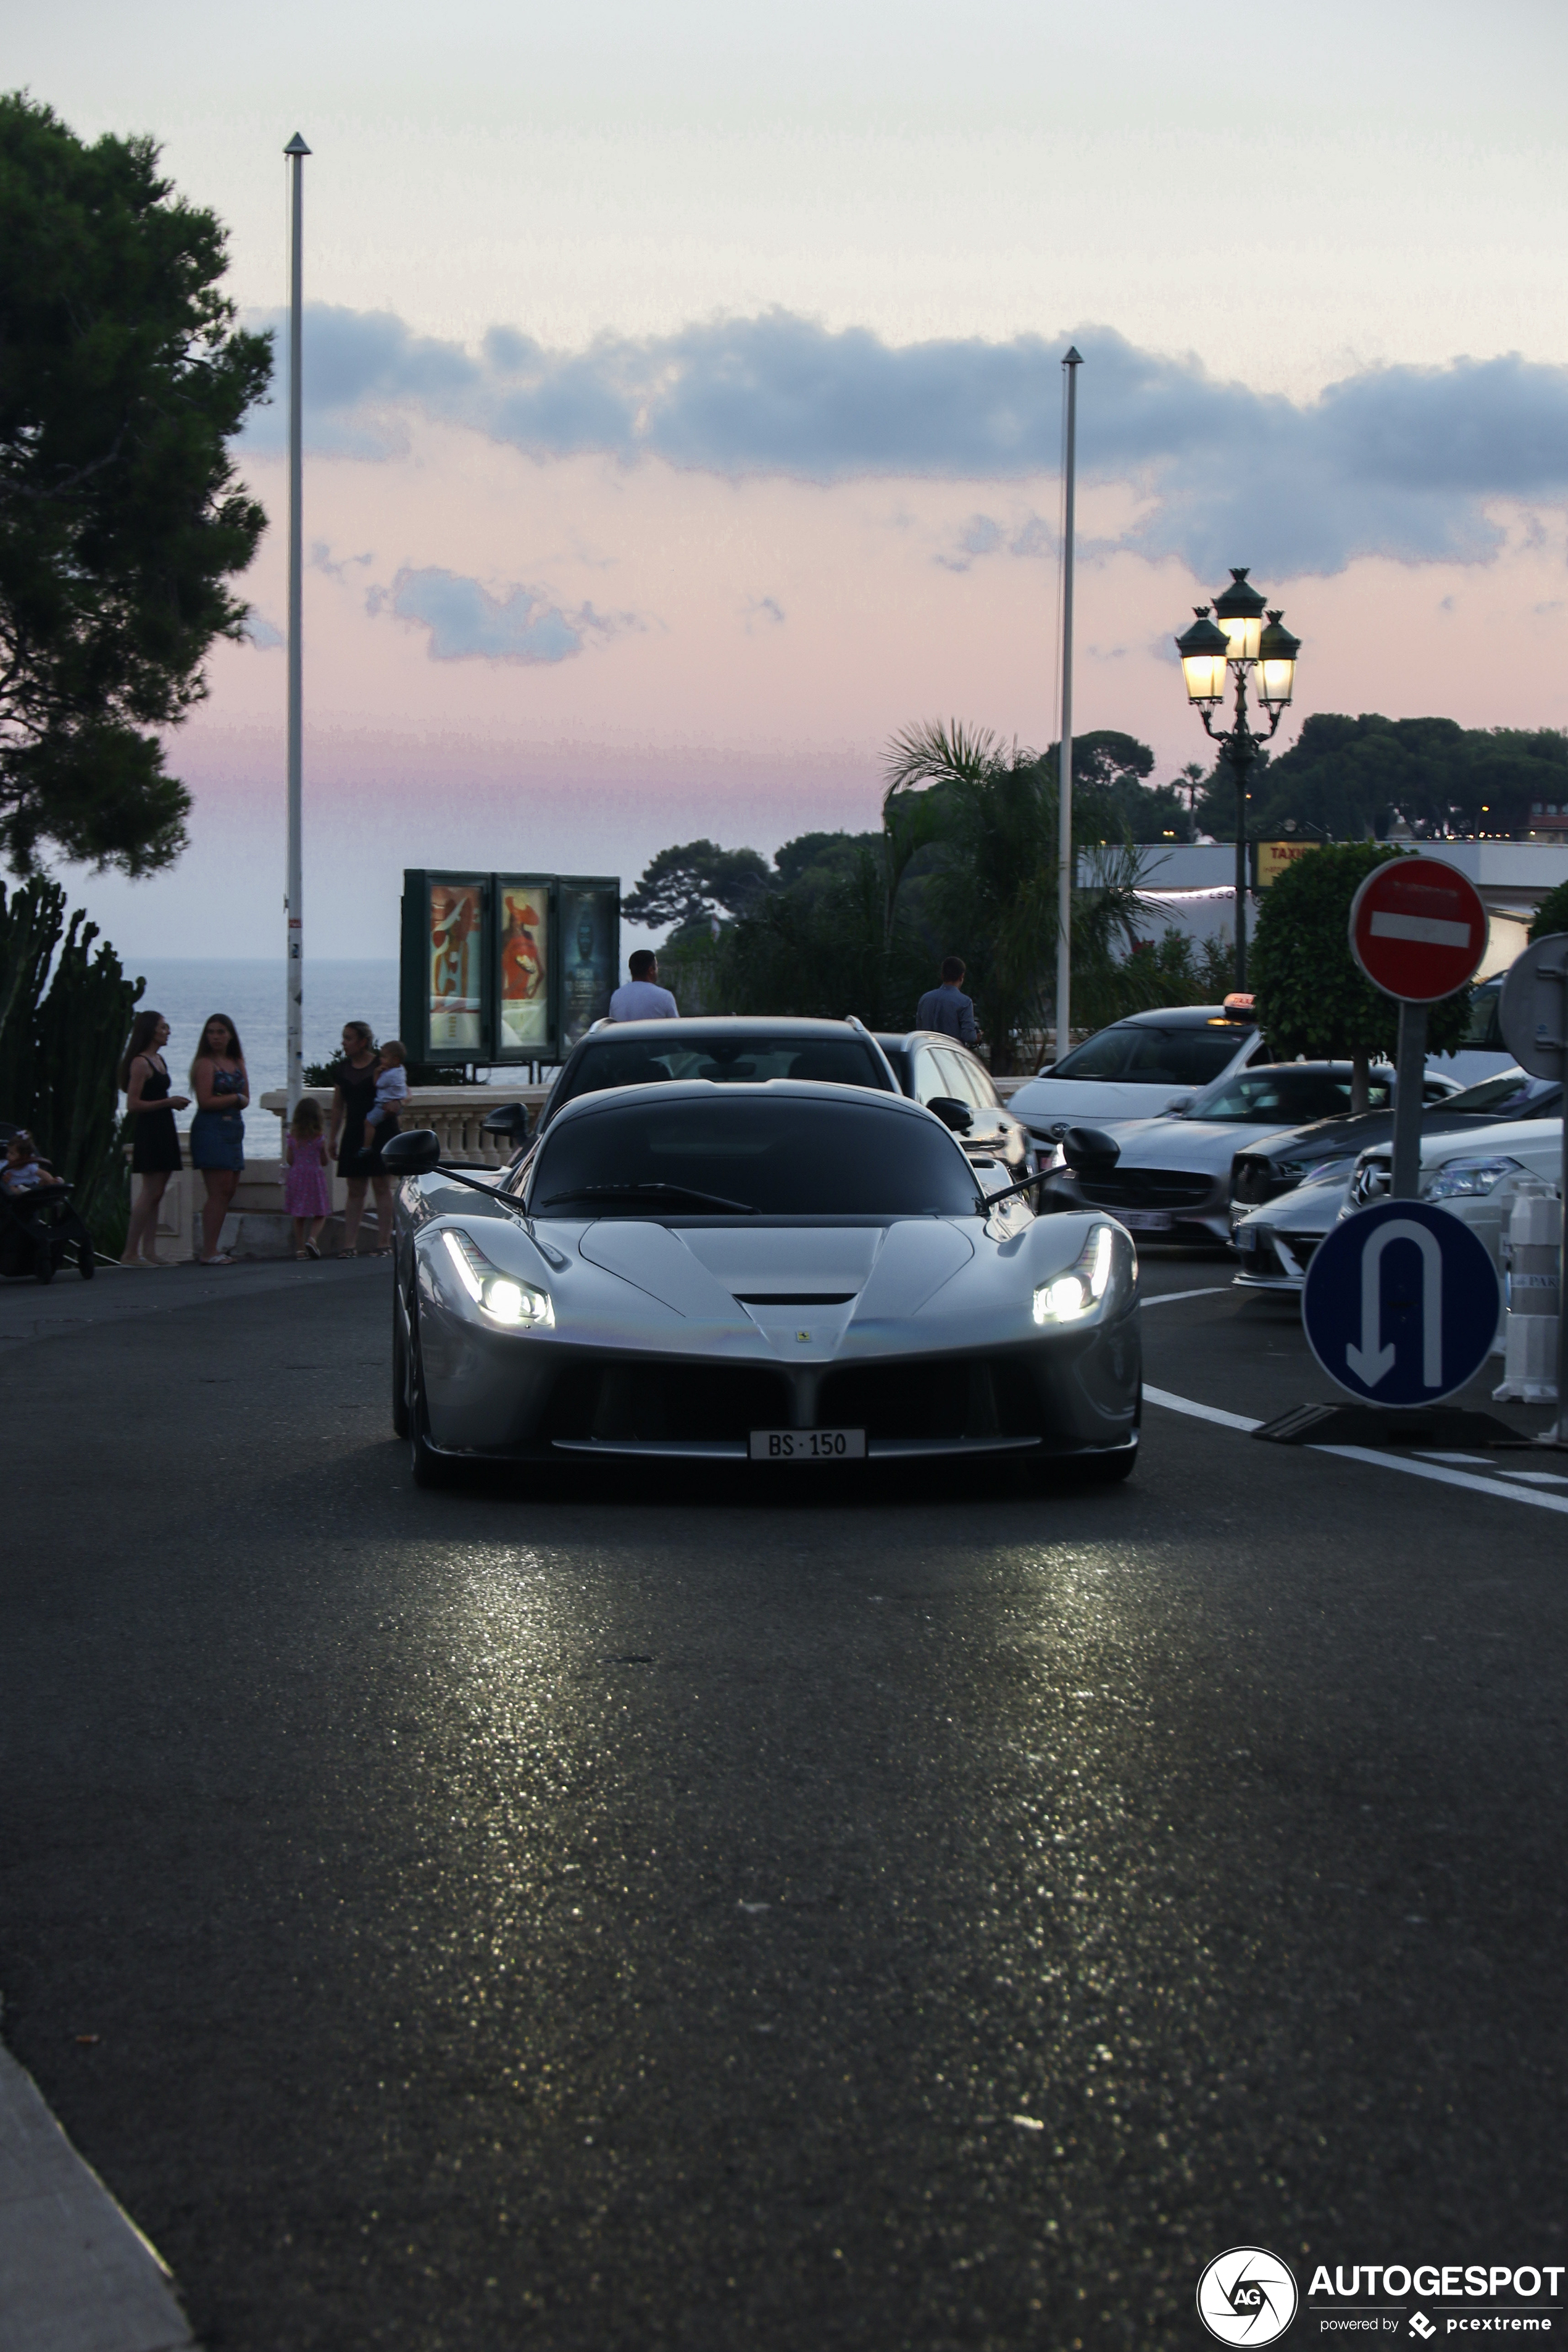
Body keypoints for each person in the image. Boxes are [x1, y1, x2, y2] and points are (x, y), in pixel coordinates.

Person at [118, 1010, 188, 1267]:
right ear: (151, 1031)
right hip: (150, 1128)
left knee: (158, 1191)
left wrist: (168, 1104)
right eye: (163, 1027)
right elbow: (133, 1104)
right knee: (150, 1191)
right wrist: (168, 1102)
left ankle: (150, 1250)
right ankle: (130, 1252)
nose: (167, 1031)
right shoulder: (140, 1063)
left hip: (164, 1126)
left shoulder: (159, 1059)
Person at [328, 1021, 395, 1257]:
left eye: (348, 1038)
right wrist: (332, 1138)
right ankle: (349, 1245)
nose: (344, 1043)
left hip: (381, 1129)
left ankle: (384, 1243)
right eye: (344, 1038)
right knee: (355, 1188)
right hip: (354, 1131)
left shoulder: (382, 1066)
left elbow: (398, 1092)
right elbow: (338, 1107)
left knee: (381, 1185)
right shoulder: (342, 1069)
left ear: (363, 1042)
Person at [189, 1014, 249, 1264]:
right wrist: (234, 1099)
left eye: (221, 1032)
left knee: (229, 1189)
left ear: (230, 1035)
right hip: (211, 1129)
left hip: (233, 1129)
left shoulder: (237, 1061)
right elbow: (206, 1101)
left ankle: (213, 1247)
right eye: (211, 1032)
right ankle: (209, 1250)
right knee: (218, 1190)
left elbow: (247, 1096)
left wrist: (238, 1099)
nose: (215, 1037)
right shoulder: (205, 1064)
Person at [283, 1096, 333, 1259]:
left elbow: (290, 1160)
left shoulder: (293, 1138)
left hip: (297, 1176)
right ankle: (312, 1239)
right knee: (321, 1212)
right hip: (314, 1177)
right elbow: (325, 1161)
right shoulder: (319, 1139)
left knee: (299, 1215)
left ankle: (299, 1249)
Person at [359, 1040, 409, 1164]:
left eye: (384, 1057)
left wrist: (377, 1073)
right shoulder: (401, 1070)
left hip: (384, 1105)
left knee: (369, 1123)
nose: (381, 1060)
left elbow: (378, 1084)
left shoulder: (388, 1075)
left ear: (396, 1059)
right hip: (398, 1103)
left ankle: (366, 1147)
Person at [915, 957, 979, 1046]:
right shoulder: (965, 1002)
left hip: (928, 1053)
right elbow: (969, 1037)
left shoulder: (925, 999)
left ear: (942, 975)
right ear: (961, 977)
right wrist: (978, 1037)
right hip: (951, 1054)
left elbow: (919, 1031)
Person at [608, 950, 678, 1021]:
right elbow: (676, 1028)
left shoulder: (617, 996)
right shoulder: (664, 996)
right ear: (651, 970)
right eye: (656, 967)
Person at [2, 1132, 64, 1196]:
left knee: (43, 1182)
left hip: (33, 1185)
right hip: (16, 1188)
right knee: (11, 1189)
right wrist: (5, 1180)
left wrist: (51, 1180)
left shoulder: (29, 1166)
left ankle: (55, 1185)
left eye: (12, 1154)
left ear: (23, 1157)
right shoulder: (6, 1166)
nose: (8, 1155)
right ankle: (24, 1192)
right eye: (8, 1152)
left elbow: (43, 1173)